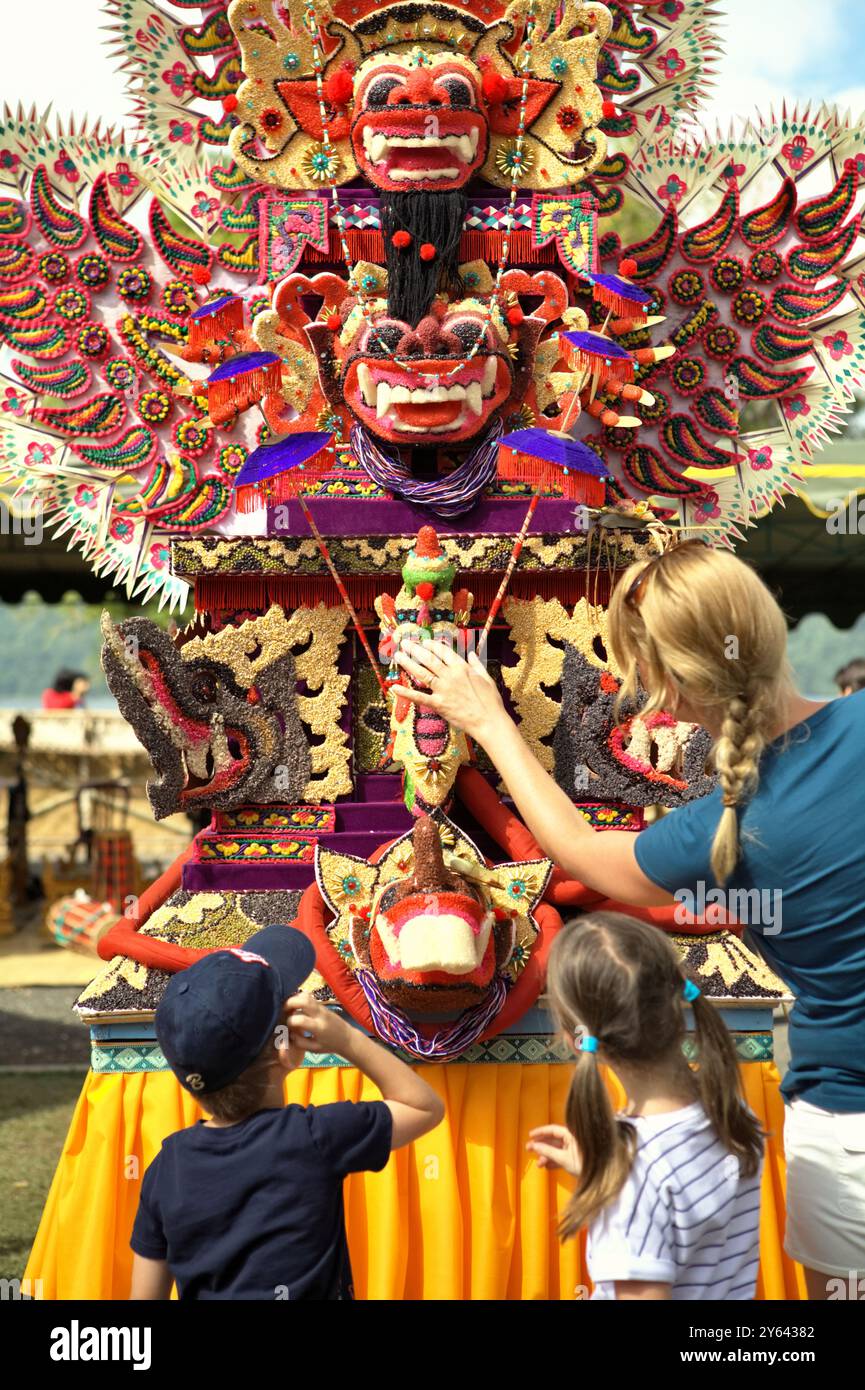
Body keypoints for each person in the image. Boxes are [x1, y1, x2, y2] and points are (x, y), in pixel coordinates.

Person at [393, 539, 865, 1300]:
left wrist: (486, 719)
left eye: (645, 680)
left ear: (676, 686)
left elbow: (580, 852)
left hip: (848, 1127)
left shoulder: (721, 828)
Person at [129, 925, 444, 1300]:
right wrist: (346, 1038)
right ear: (285, 1048)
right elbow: (423, 1106)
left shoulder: (166, 1167)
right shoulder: (314, 1137)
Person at [527, 912, 764, 1300]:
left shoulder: (635, 1175)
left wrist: (617, 1177)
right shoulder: (730, 1109)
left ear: (573, 1038)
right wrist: (600, 1170)